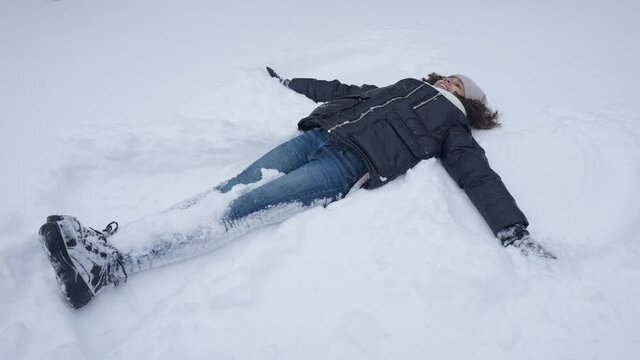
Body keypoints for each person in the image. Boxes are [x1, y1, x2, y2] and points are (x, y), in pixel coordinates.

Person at [38, 67, 555, 309]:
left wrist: (513, 229)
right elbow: (343, 91)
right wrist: (290, 84)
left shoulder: (453, 126)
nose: (449, 83)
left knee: (244, 206)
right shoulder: (403, 86)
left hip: (346, 166)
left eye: (460, 86)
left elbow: (478, 176)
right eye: (450, 78)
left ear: (470, 103)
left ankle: (112, 265)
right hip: (316, 140)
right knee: (228, 187)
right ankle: (108, 244)